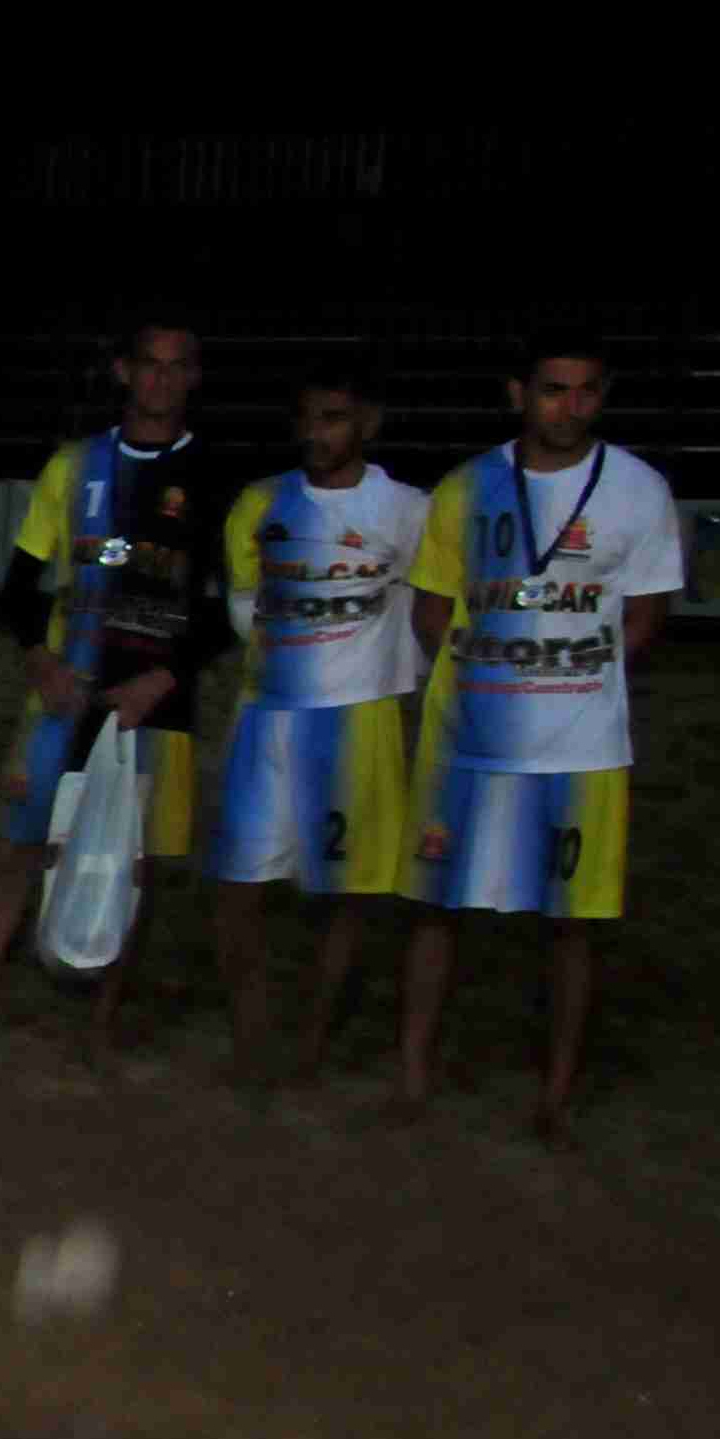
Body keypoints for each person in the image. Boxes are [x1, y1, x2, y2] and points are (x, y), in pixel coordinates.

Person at [393, 335, 683, 1140]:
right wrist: (483, 677)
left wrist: (571, 676)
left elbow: (648, 611)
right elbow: (431, 604)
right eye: (554, 389)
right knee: (435, 907)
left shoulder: (638, 489)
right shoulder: (468, 485)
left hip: (582, 745)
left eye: (587, 390)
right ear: (517, 393)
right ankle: (413, 1074)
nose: (571, 406)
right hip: (469, 738)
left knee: (573, 920)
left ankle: (555, 1094)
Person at [0, 320, 244, 1050]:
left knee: (130, 866)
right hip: (65, 693)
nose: (161, 380)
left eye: (177, 368)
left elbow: (227, 610)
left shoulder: (213, 476)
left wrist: (166, 677)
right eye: (149, 366)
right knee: (16, 850)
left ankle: (101, 1025)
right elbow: (19, 584)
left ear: (195, 377)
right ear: (123, 371)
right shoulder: (75, 465)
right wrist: (38, 662)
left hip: (156, 704)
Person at [204, 364, 428, 1080]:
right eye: (308, 417)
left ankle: (314, 1041)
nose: (318, 432)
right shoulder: (260, 503)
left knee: (346, 895)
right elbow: (245, 606)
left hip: (358, 725)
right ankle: (251, 1030)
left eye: (335, 417)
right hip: (266, 719)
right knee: (237, 884)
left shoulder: (408, 510)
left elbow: (433, 608)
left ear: (368, 423)